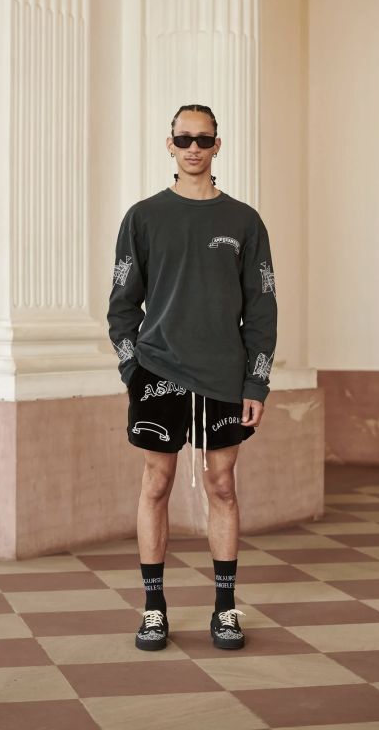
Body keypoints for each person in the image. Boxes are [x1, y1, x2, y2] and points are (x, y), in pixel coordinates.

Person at [107, 104, 277, 652]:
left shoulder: (244, 221)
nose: (194, 148)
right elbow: (121, 305)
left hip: (224, 376)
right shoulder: (143, 217)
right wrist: (133, 370)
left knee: (222, 486)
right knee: (156, 484)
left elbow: (263, 307)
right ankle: (153, 609)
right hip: (157, 373)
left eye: (203, 139)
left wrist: (256, 382)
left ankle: (225, 609)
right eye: (184, 139)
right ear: (170, 144)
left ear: (217, 145)